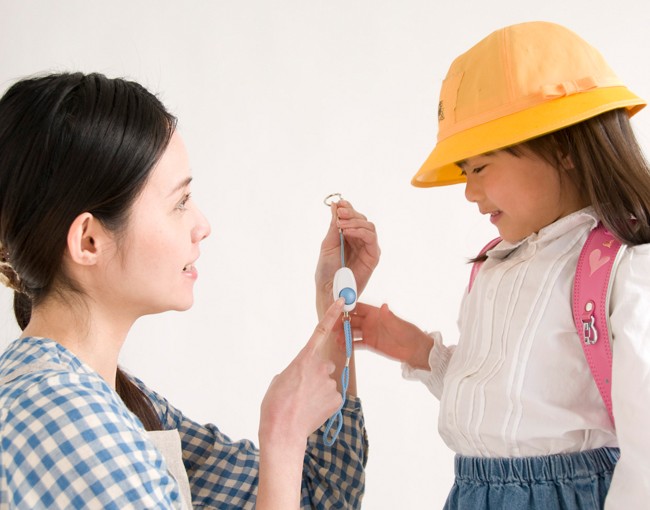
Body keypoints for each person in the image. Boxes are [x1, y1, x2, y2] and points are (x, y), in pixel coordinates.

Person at [0, 72, 378, 509]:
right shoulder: (65, 422)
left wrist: (334, 308)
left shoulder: (113, 399)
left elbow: (316, 496)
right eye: (179, 202)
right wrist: (282, 435)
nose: (202, 225)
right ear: (89, 240)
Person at [349, 21, 650, 508]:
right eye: (465, 172)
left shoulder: (621, 270)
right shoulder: (495, 266)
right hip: (472, 492)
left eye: (481, 167)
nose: (469, 190)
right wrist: (423, 353)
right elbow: (508, 406)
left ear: (563, 147)